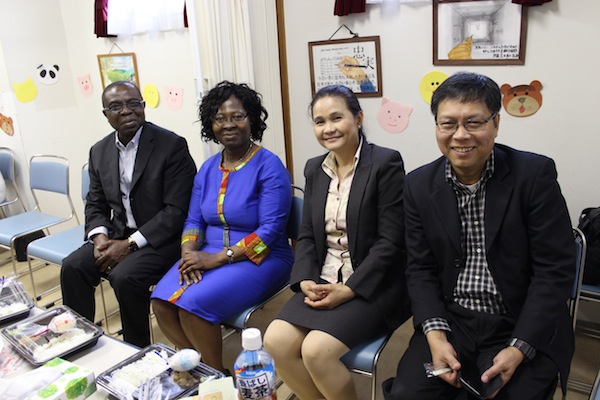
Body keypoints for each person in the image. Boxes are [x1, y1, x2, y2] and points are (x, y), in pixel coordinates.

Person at [383, 72, 575, 400]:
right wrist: (436, 337)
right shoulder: (417, 185)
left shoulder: (534, 176)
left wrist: (518, 347)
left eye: (474, 122)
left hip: (518, 317)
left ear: (496, 123)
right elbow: (420, 269)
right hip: (453, 318)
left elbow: (554, 271)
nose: (460, 135)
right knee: (407, 394)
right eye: (448, 124)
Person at [263, 85, 410, 400]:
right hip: (324, 279)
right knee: (274, 341)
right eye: (319, 121)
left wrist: (350, 288)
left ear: (358, 118)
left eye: (336, 118)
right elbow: (306, 233)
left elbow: (391, 242)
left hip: (372, 284)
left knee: (316, 351)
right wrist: (304, 279)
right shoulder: (315, 169)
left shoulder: (385, 163)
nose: (328, 128)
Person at [150, 81, 294, 374]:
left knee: (193, 307)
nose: (228, 124)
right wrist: (189, 254)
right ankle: (198, 367)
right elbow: (194, 220)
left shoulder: (269, 166)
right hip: (208, 252)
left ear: (251, 119)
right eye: (219, 118)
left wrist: (217, 258)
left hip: (263, 257)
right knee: (161, 304)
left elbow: (270, 230)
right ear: (211, 125)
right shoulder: (207, 168)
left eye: (237, 116)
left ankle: (217, 378)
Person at [61, 81, 196, 348]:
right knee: (73, 266)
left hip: (162, 239)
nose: (126, 111)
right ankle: (77, 341)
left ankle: (137, 349)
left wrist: (129, 245)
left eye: (134, 103)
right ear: (105, 114)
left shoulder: (171, 145)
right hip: (118, 233)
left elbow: (176, 211)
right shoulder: (99, 151)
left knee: (125, 277)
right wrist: (100, 238)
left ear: (143, 106)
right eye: (116, 106)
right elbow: (95, 202)